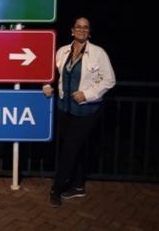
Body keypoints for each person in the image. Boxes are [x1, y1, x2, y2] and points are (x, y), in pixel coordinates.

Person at [43, 16, 115, 208]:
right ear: (72, 30)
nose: (82, 30)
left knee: (69, 150)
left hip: (87, 111)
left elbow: (109, 80)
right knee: (76, 148)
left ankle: (56, 189)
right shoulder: (62, 51)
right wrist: (47, 86)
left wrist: (88, 94)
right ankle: (78, 186)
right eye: (79, 27)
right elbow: (52, 74)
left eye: (85, 27)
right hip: (64, 109)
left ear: (89, 32)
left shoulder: (98, 53)